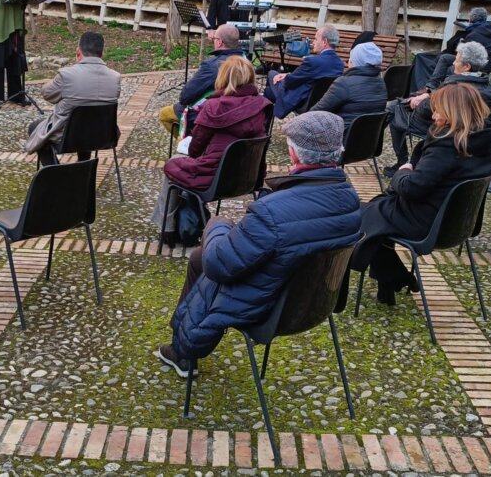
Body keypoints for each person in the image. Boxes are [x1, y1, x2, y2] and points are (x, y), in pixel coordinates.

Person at [155, 111, 363, 376]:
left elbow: (219, 265)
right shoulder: (350, 198)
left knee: (207, 253)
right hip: (315, 302)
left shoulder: (272, 211)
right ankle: (182, 342)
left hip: (272, 309)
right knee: (198, 257)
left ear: (295, 155)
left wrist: (217, 224)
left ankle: (184, 350)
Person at [354, 83, 491, 305]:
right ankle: (391, 280)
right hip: (455, 221)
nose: (433, 115)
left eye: (438, 110)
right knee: (377, 209)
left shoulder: (447, 146)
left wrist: (401, 173)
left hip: (428, 222)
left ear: (453, 113)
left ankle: (394, 277)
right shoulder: (482, 139)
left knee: (363, 216)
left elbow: (413, 188)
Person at [151, 56, 272, 240]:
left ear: (223, 77)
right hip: (248, 178)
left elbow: (194, 150)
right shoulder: (263, 106)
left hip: (213, 179)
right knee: (182, 165)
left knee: (173, 164)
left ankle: (166, 229)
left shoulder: (214, 107)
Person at [387, 41, 491, 176]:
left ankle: (402, 163)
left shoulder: (455, 88)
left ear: (466, 66)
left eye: (457, 61)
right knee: (398, 105)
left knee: (394, 111)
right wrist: (430, 93)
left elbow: (427, 110)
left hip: (442, 127)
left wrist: (423, 99)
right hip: (469, 130)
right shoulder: (489, 87)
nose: (453, 63)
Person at [25, 31, 121, 165]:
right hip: (103, 135)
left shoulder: (67, 75)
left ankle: (56, 172)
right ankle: (83, 166)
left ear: (78, 51)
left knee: (34, 127)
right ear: (102, 53)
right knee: (88, 118)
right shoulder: (115, 77)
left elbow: (47, 94)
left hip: (68, 138)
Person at [159, 25, 244, 139]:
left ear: (219, 42)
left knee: (164, 114)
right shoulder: (245, 61)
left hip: (211, 114)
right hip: (237, 112)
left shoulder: (211, 66)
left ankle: (187, 146)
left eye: (214, 39)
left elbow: (185, 97)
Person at [410, 7, 491, 91]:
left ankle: (430, 87)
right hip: (486, 64)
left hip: (477, 65)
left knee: (442, 58)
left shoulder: (473, 35)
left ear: (471, 19)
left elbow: (461, 54)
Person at [264, 26, 344, 119]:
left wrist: (286, 77)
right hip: (323, 104)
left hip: (303, 103)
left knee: (272, 74)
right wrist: (287, 75)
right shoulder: (339, 64)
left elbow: (290, 82)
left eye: (315, 39)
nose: (313, 42)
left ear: (324, 42)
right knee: (269, 92)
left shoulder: (312, 62)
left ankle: (264, 126)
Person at [311, 41, 388, 129]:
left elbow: (315, 112)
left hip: (339, 138)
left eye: (351, 58)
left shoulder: (344, 84)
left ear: (356, 62)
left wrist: (296, 121)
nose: (348, 61)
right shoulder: (381, 83)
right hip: (369, 141)